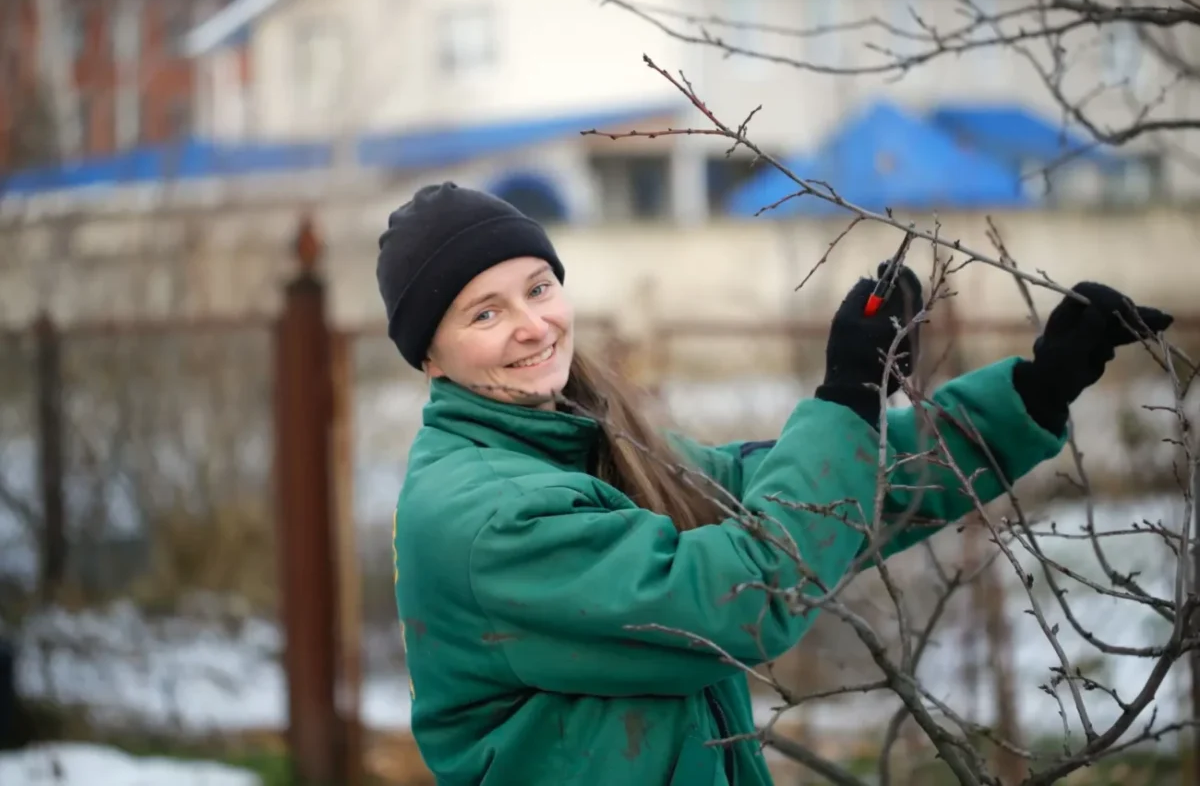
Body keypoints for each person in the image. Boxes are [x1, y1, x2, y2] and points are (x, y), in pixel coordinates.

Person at [375, 182, 1172, 786]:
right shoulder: (492, 517)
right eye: (484, 313)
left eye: (539, 287)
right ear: (432, 359)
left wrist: (1033, 393)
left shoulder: (583, 446)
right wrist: (849, 390)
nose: (532, 324)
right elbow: (749, 590)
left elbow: (822, 501)